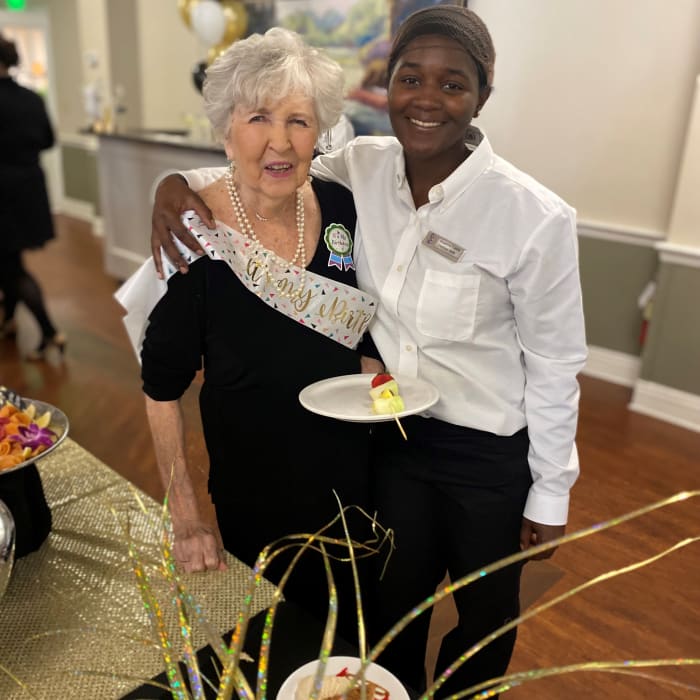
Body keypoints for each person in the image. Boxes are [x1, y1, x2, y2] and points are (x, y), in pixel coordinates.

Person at [148, 6, 587, 697]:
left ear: (483, 95)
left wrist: (552, 490)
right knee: (390, 620)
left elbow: (558, 364)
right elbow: (264, 157)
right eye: (411, 78)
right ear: (389, 87)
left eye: (452, 84)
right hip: (392, 445)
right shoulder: (364, 168)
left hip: (488, 456)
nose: (427, 99)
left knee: (485, 623)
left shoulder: (533, 216)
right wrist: (171, 185)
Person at [115, 28, 384, 643]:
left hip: (352, 475)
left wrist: (391, 396)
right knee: (270, 643)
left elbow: (360, 333)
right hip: (254, 488)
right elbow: (161, 385)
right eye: (258, 117)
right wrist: (185, 516)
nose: (280, 141)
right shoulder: (196, 231)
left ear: (321, 134)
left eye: (300, 120)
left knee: (347, 639)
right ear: (226, 129)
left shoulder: (343, 208)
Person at [0, 34, 65, 360]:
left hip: (3, 195)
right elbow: (48, 141)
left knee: (11, 267)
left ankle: (50, 332)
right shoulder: (31, 98)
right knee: (9, 261)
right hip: (29, 190)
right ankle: (9, 321)